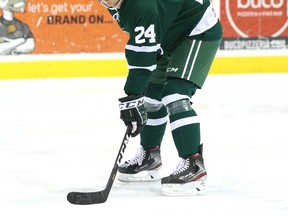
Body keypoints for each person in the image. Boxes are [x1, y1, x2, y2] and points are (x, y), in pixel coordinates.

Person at [98, 0, 222, 195]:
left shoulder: (141, 5)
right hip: (168, 36)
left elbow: (143, 55)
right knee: (151, 99)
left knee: (175, 94)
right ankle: (150, 156)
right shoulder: (115, 3)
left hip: (197, 30)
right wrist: (137, 97)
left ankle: (194, 165)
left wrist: (132, 95)